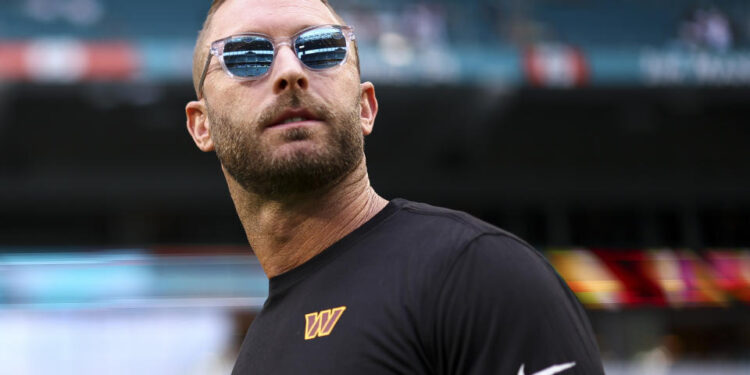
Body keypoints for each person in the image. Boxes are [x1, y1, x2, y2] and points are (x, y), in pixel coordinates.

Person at [185, 0, 605, 373]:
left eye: (322, 49)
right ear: (201, 125)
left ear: (365, 107)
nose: (291, 72)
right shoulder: (256, 356)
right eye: (246, 55)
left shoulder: (477, 272)